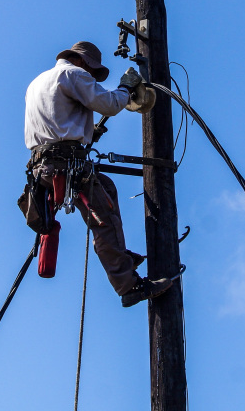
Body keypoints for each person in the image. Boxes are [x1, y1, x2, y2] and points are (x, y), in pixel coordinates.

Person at [24, 41, 172, 307]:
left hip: (43, 168)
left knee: (106, 187)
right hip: (67, 165)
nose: (92, 78)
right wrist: (127, 87)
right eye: (92, 72)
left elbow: (60, 120)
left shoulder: (37, 82)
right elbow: (111, 104)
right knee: (104, 222)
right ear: (82, 61)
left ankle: (118, 253)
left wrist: (89, 131)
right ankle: (129, 286)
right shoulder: (74, 74)